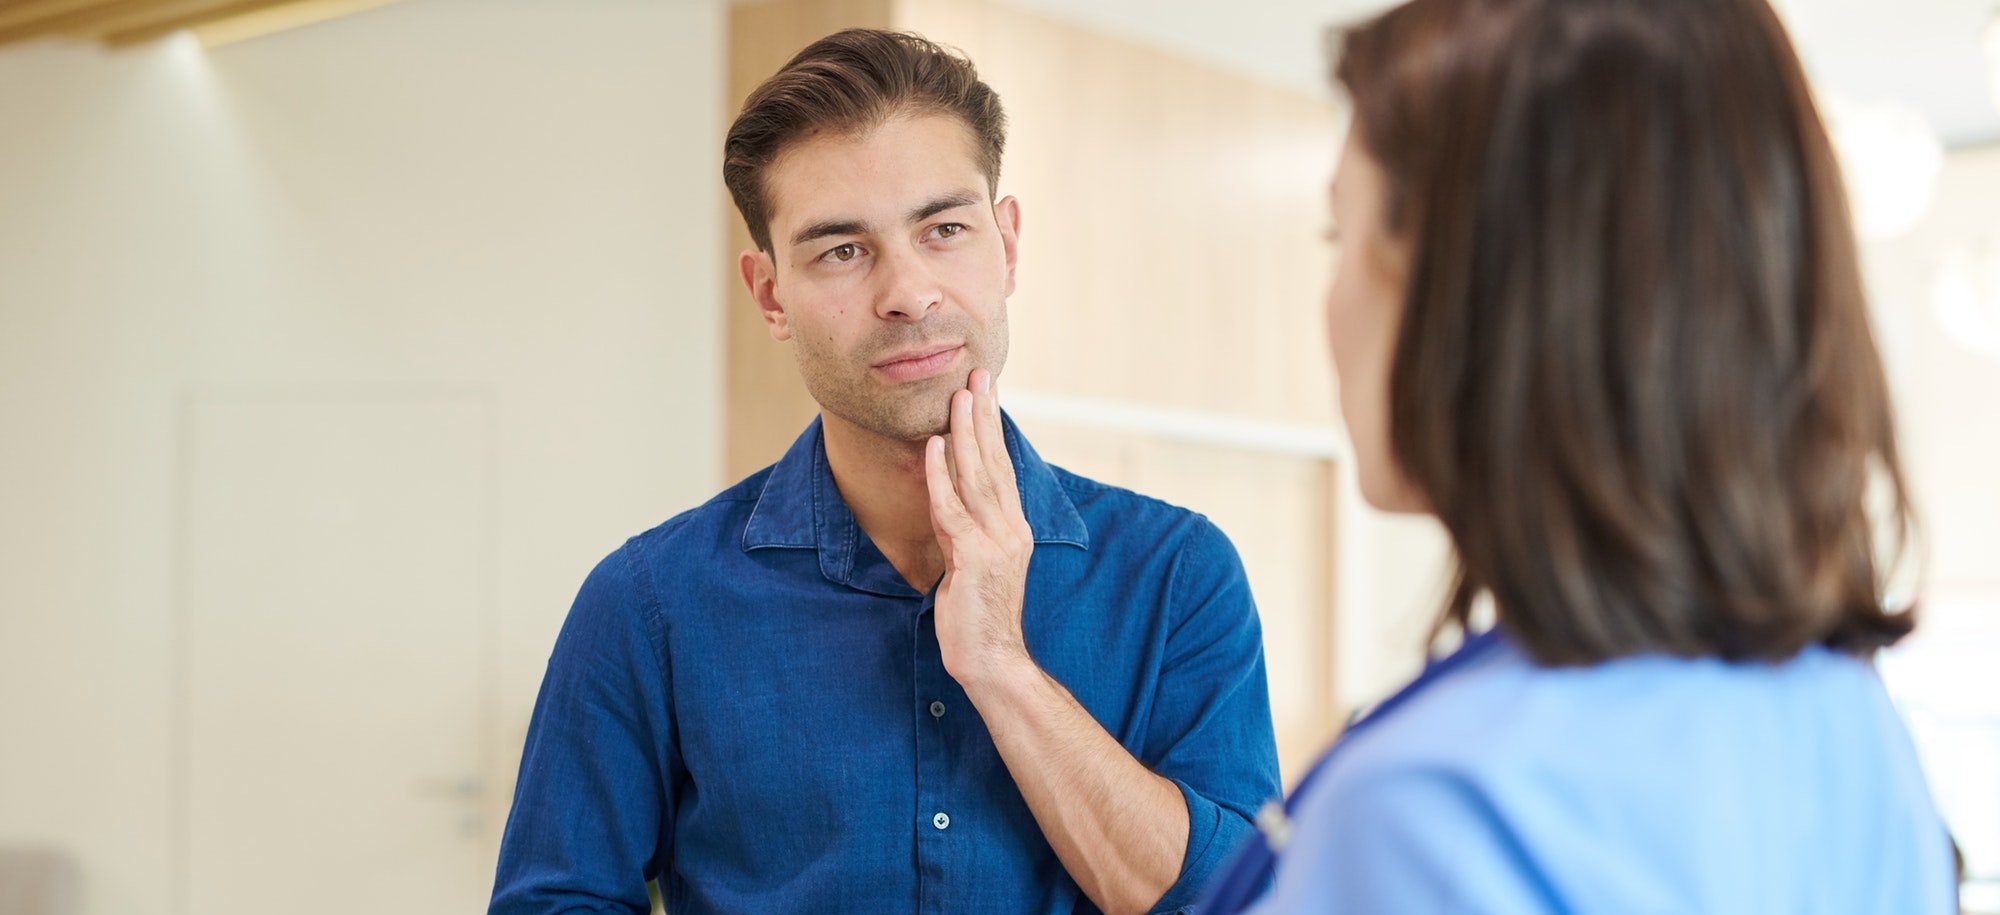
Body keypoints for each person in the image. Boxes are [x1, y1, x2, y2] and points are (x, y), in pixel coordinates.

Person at [489, 28, 1281, 915]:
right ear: (770, 295)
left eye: (944, 229)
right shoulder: (648, 605)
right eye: (841, 249)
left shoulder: (1178, 577)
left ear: (1007, 245)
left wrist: (1002, 666)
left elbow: (1242, 901)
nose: (908, 291)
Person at [1197, 0, 1959, 911]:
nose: (1330, 303)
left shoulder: (1433, 812)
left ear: (1475, 286)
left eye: (1341, 236)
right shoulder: (1844, 720)